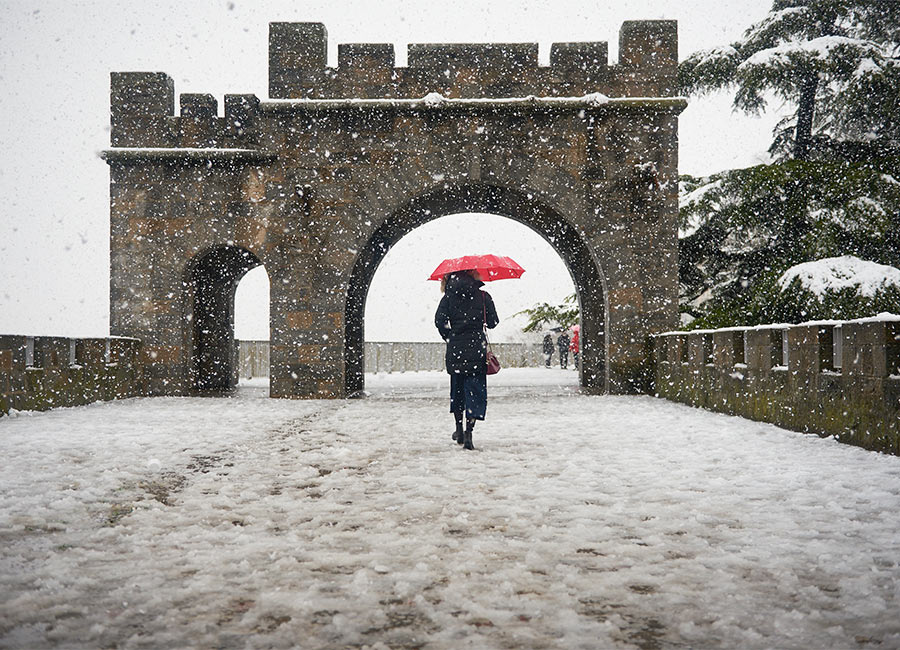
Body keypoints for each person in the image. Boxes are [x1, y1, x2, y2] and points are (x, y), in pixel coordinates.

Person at [434, 270, 499, 450]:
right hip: (476, 349)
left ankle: (458, 429)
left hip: (455, 349)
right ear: (472, 275)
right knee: (475, 391)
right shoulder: (484, 296)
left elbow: (440, 321)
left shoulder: (448, 298)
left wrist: (450, 336)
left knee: (457, 391)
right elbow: (493, 322)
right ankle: (469, 432)